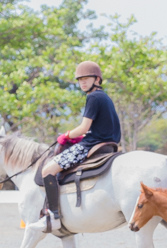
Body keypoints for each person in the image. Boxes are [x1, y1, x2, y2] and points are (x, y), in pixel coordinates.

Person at [34, 61, 122, 233]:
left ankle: (52, 216)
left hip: (91, 145)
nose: (82, 82)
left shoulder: (93, 97)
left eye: (86, 79)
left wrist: (66, 135)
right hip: (105, 143)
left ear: (97, 79)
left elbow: (84, 127)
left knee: (48, 170)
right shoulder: (104, 97)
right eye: (80, 79)